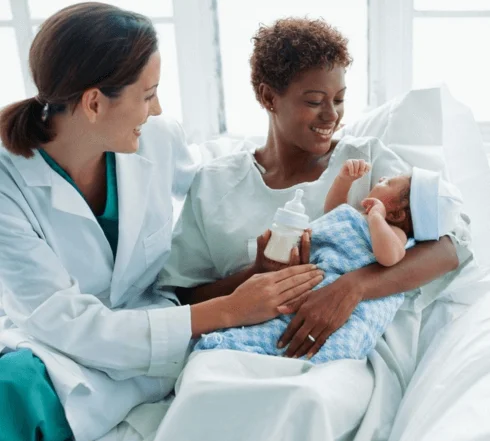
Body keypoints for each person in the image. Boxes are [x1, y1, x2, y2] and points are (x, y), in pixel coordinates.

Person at [0, 4, 322, 441]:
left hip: (151, 332)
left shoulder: (157, 137)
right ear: (94, 103)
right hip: (57, 347)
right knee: (13, 387)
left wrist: (298, 156)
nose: (157, 110)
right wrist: (227, 309)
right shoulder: (8, 183)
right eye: (148, 94)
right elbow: (62, 321)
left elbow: (220, 185)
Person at [155, 18, 471, 441]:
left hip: (336, 351)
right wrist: (256, 276)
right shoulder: (214, 184)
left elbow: (449, 248)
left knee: (309, 402)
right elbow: (182, 297)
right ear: (269, 96)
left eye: (339, 99)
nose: (332, 116)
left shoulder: (368, 161)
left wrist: (353, 287)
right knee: (205, 394)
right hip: (239, 345)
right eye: (315, 101)